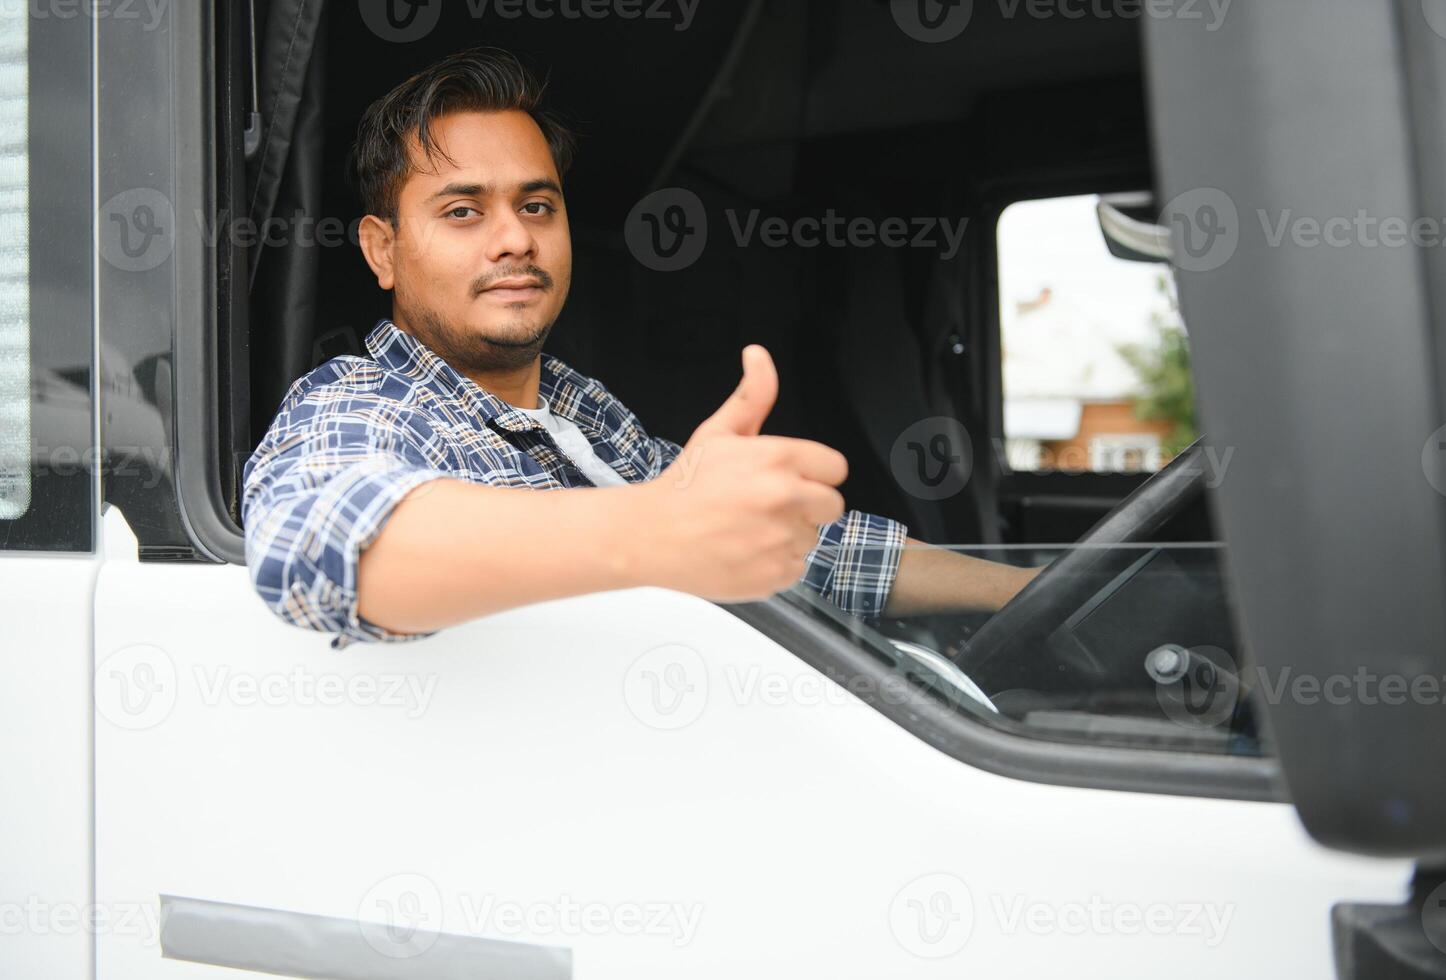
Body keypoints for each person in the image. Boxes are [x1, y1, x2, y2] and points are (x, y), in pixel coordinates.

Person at [242, 46, 1039, 650]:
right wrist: (656, 528)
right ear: (382, 251)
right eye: (462, 211)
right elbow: (313, 546)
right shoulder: (358, 401)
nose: (515, 238)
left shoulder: (578, 408)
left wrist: (1030, 591)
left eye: (537, 205)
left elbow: (812, 551)